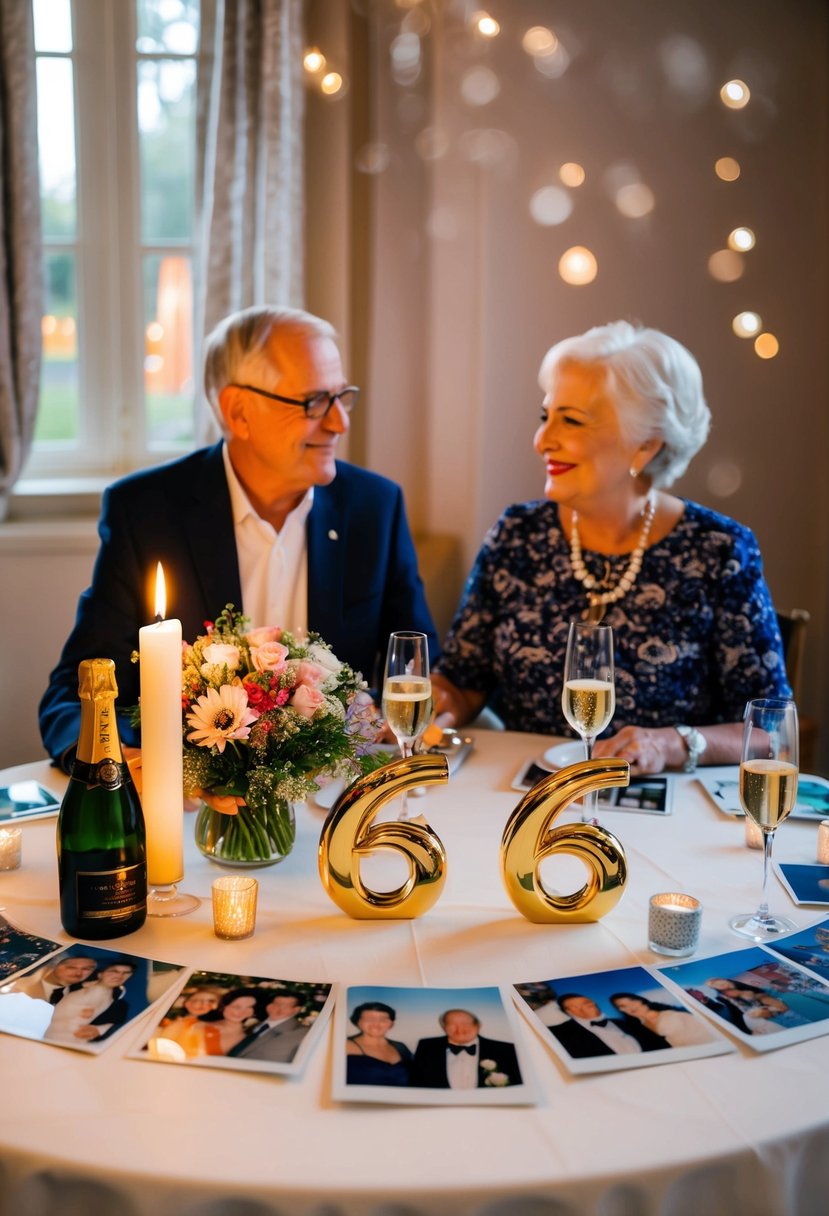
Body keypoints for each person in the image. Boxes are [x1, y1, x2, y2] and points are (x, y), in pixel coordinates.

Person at [39, 306, 438, 770]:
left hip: (335, 800)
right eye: (313, 402)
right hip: (194, 811)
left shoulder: (374, 507)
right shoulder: (148, 513)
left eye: (341, 397)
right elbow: (71, 696)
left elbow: (416, 669)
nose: (339, 424)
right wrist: (115, 761)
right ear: (238, 411)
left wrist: (386, 715)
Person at [431, 321, 789, 774]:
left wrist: (673, 744)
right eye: (546, 416)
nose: (543, 440)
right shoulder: (517, 535)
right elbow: (462, 683)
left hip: (666, 816)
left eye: (571, 420)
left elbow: (772, 732)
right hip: (523, 800)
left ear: (645, 444)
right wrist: (435, 699)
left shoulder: (718, 550)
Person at [411, 1008, 521, 1089]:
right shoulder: (426, 1047)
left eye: (465, 1023)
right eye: (452, 1024)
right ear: (443, 1027)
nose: (459, 1029)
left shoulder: (506, 1050)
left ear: (478, 1026)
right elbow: (415, 1083)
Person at [43, 960, 136, 1044]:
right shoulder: (74, 986)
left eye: (126, 973)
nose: (119, 976)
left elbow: (116, 1025)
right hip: (47, 1032)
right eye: (114, 971)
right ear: (100, 974)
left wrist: (99, 1030)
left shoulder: (119, 1004)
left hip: (72, 1040)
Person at [549, 993, 668, 1058]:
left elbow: (659, 1044)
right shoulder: (558, 1033)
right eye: (584, 1003)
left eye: (590, 1001)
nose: (592, 1004)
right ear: (569, 1011)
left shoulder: (626, 1023)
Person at [168, 988, 260, 1058]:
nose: (202, 1005)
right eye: (236, 1006)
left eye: (210, 1002)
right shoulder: (191, 1025)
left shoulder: (249, 1037)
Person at [227, 990, 310, 1063]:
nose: (277, 1008)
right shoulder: (252, 1024)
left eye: (284, 1006)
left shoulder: (303, 1033)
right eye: (275, 1003)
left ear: (296, 1010)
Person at [345, 1001, 413, 1087]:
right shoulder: (346, 1046)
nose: (376, 1023)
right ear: (358, 1022)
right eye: (369, 1019)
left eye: (382, 1019)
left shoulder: (400, 1047)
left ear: (391, 1024)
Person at [610, 992, 713, 1048]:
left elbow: (705, 1035)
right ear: (621, 1010)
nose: (630, 1007)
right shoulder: (634, 1029)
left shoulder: (675, 1014)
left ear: (640, 1000)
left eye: (631, 1001)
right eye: (622, 1006)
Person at [10, 954, 98, 1003]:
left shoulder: (84, 997)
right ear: (54, 966)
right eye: (71, 967)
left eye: (86, 969)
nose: (79, 973)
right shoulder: (17, 987)